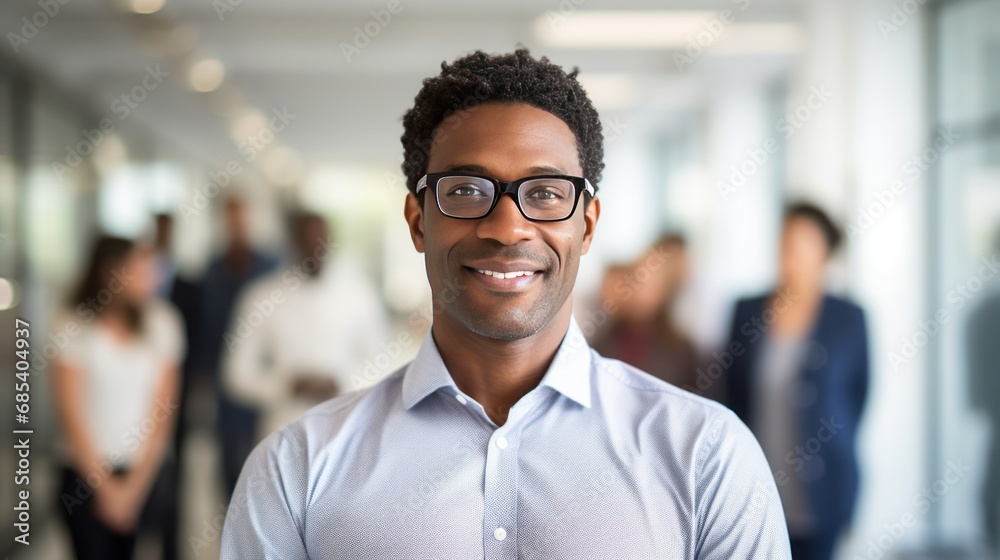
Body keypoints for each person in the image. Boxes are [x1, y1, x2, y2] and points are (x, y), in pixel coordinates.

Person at [221, 49, 791, 558]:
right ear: (419, 221)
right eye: (467, 191)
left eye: (545, 193)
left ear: (586, 226)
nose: (507, 226)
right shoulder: (297, 469)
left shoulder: (705, 456)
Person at [724, 203, 869, 560]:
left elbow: (858, 395)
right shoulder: (747, 310)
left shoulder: (848, 318)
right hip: (757, 486)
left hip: (823, 490)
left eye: (804, 245)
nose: (791, 255)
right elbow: (733, 393)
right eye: (786, 243)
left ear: (825, 254)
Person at [52, 236, 184, 559]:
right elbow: (71, 415)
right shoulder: (74, 326)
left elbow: (163, 412)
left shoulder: (163, 323)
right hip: (84, 475)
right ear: (113, 272)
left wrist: (133, 491)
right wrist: (107, 490)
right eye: (141, 269)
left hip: (142, 472)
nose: (151, 278)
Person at [223, 211, 389, 439]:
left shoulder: (360, 294)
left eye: (319, 239)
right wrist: (286, 385)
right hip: (281, 431)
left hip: (346, 433)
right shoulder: (261, 296)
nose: (314, 248)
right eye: (306, 240)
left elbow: (385, 363)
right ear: (291, 242)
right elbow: (236, 374)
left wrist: (341, 382)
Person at [197, 196, 278, 498]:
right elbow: (208, 322)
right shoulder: (215, 268)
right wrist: (204, 370)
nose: (236, 225)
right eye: (230, 218)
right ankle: (234, 522)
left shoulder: (271, 265)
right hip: (225, 376)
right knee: (230, 454)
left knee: (264, 450)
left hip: (263, 376)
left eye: (240, 216)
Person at [590, 233, 700, 391]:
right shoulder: (603, 340)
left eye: (650, 283)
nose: (640, 289)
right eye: (636, 279)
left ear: (665, 290)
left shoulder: (681, 349)